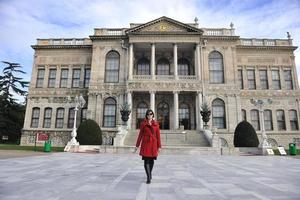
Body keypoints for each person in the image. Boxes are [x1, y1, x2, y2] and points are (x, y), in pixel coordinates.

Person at [134, 109, 161, 184]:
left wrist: (159, 146)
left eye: (151, 114)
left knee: (151, 161)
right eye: (148, 114)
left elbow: (158, 136)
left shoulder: (156, 124)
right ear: (146, 115)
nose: (149, 115)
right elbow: (140, 135)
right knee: (146, 161)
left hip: (153, 144)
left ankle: (149, 174)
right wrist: (137, 145)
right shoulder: (143, 124)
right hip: (145, 144)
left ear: (153, 115)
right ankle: (148, 177)